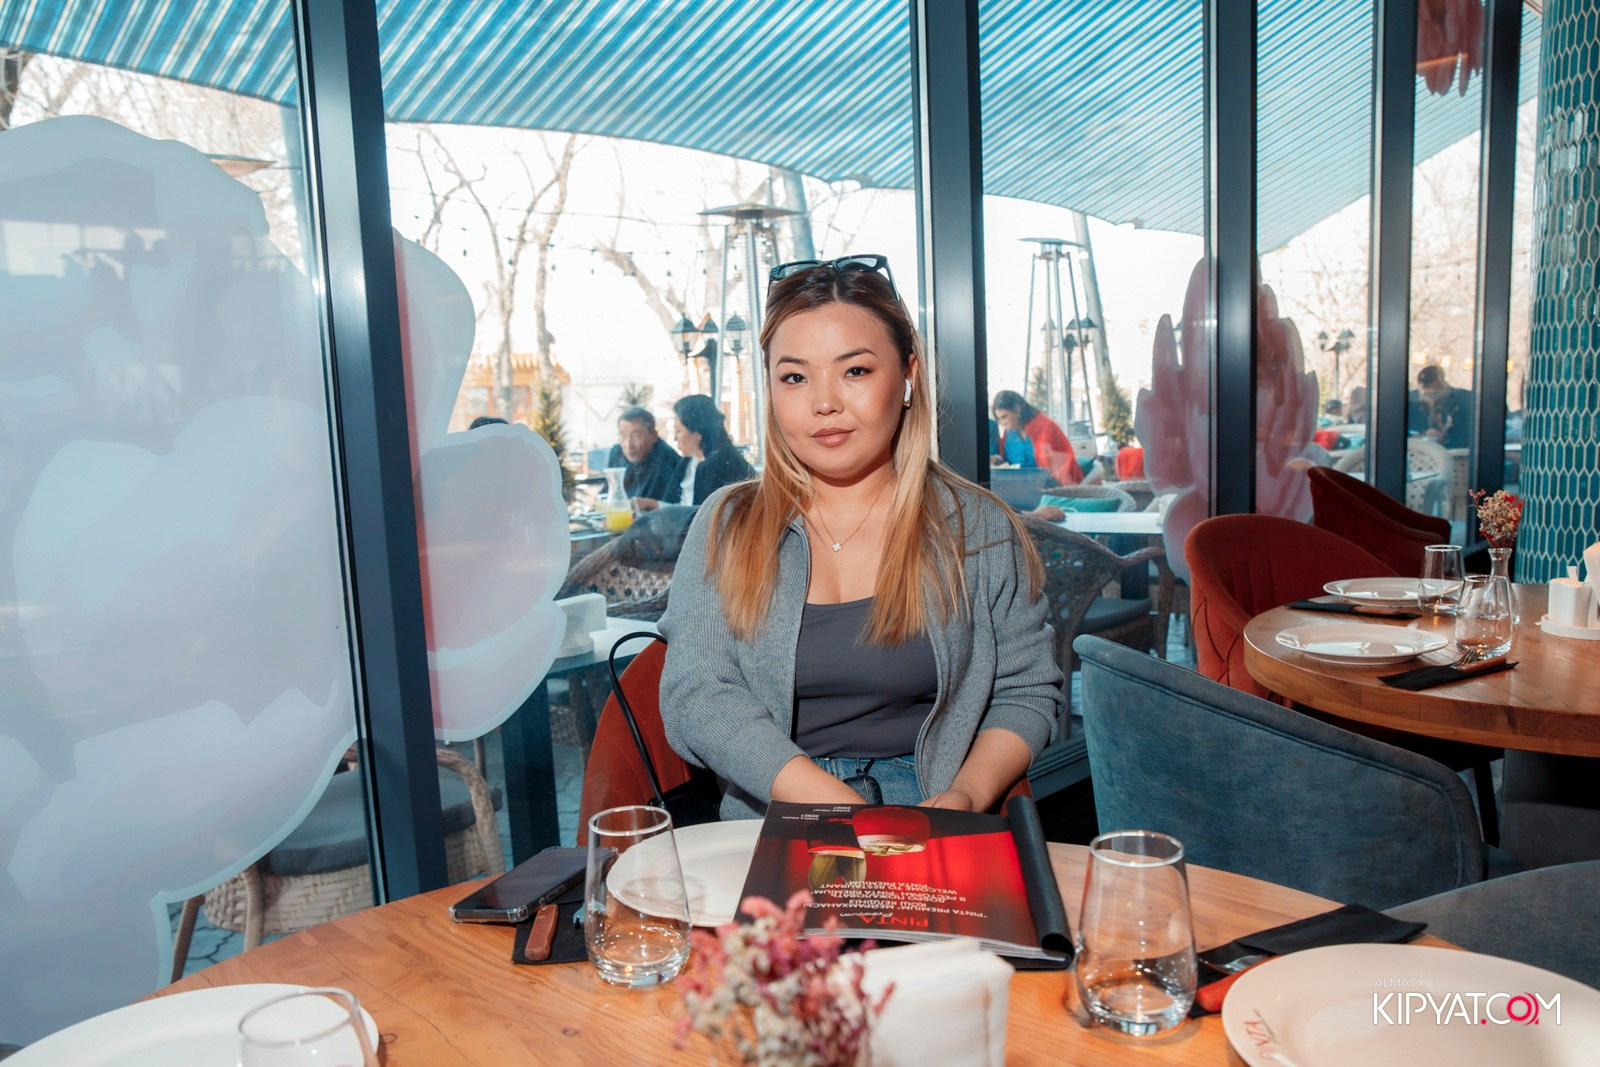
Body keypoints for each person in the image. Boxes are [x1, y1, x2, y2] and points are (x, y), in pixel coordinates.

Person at [659, 255, 1064, 820]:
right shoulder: (729, 524)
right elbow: (698, 694)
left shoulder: (977, 527)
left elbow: (1026, 690)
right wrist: (841, 808)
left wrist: (967, 796)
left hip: (931, 802)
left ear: (908, 377)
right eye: (795, 377)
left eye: (855, 371)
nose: (824, 402)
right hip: (776, 809)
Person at [640, 393, 755, 509]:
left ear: (697, 432)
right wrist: (652, 504)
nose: (675, 438)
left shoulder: (721, 465)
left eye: (678, 431)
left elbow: (702, 514)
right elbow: (684, 508)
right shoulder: (686, 463)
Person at [992, 390, 1082, 486]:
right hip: (1019, 484)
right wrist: (998, 460)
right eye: (999, 419)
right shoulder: (1009, 433)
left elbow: (1060, 469)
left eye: (1004, 417)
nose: (1002, 423)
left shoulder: (1045, 426)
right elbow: (1009, 462)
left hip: (1050, 486)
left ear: (1017, 409)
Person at [605, 405, 680, 502]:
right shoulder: (617, 452)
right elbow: (607, 493)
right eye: (623, 436)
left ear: (654, 436)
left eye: (636, 436)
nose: (629, 445)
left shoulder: (667, 459)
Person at [1408, 364, 1472, 448]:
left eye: (1433, 394)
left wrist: (1445, 438)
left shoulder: (1464, 401)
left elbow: (1468, 436)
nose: (1430, 400)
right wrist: (1421, 436)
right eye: (1425, 395)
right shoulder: (1412, 402)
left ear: (1445, 387)